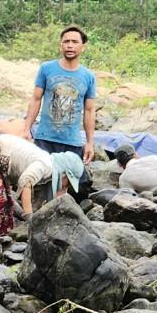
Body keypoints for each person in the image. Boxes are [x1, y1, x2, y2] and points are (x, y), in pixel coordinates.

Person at [0, 133, 82, 245]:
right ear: (64, 173)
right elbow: (26, 183)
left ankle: (3, 238)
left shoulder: (50, 170)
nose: (66, 187)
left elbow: (56, 197)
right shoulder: (45, 164)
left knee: (8, 202)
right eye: (68, 183)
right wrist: (29, 216)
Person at [23, 25, 98, 190]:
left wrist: (90, 143)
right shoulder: (46, 69)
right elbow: (36, 99)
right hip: (45, 138)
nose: (70, 45)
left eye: (74, 42)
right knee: (39, 181)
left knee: (70, 186)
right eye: (66, 41)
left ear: (83, 47)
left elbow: (89, 110)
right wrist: (27, 128)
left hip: (72, 141)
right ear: (60, 45)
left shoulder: (88, 76)